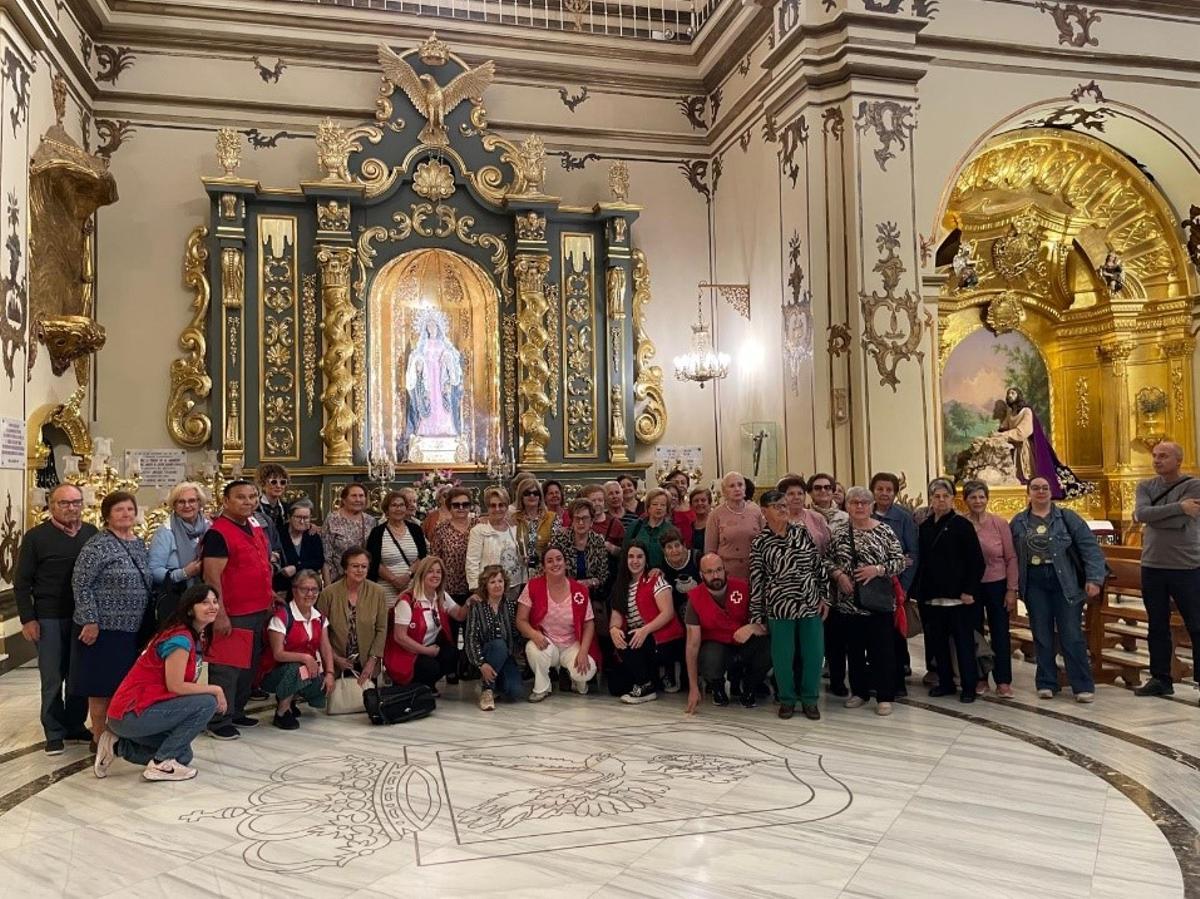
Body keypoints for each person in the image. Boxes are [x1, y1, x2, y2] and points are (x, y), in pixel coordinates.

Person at [95, 584, 226, 782]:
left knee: (183, 756)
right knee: (207, 702)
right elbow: (176, 686)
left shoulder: (192, 635)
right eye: (204, 602)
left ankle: (117, 746)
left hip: (140, 713)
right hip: (130, 714)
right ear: (190, 608)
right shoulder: (180, 639)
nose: (212, 606)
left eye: (215, 602)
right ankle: (160, 764)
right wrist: (216, 689)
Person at [15, 483, 98, 754]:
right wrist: (28, 619)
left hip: (82, 617)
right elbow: (22, 582)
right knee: (52, 676)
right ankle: (53, 730)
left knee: (78, 674)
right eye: (64, 503)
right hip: (49, 616)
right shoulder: (36, 537)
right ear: (52, 506)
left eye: (76, 502)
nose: (71, 508)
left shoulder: (91, 533)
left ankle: (75, 724)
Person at [70, 491, 153, 744]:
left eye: (129, 509)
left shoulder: (138, 543)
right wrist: (90, 620)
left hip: (132, 630)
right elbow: (81, 584)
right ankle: (98, 738)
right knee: (100, 688)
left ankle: (119, 735)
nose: (126, 514)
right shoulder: (97, 545)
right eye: (119, 510)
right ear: (107, 515)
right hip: (103, 630)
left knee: (123, 686)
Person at [1011, 477, 1105, 702]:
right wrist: (1011, 588)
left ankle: (1082, 684)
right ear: (1028, 493)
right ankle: (1046, 681)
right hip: (1034, 582)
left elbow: (1090, 548)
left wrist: (1094, 579)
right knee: (1041, 634)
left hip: (1065, 581)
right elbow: (1011, 556)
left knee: (1071, 633)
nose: (1041, 492)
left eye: (1045, 488)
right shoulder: (1019, 522)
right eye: (1036, 488)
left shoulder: (1067, 518)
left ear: (1052, 492)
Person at [201, 480, 275, 740]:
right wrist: (219, 614)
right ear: (226, 502)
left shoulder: (254, 526)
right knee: (227, 668)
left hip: (257, 608)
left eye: (253, 496)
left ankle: (237, 710)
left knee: (248, 666)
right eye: (241, 497)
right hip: (233, 612)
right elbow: (212, 577)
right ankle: (219, 719)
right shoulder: (218, 533)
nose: (249, 502)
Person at [750, 489, 830, 720]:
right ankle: (786, 698)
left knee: (814, 654)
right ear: (765, 512)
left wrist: (824, 597)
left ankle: (810, 699)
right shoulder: (760, 542)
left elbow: (818, 566)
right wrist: (756, 616)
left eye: (785, 505)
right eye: (778, 506)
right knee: (783, 656)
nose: (784, 509)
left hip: (809, 602)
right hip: (779, 606)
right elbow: (757, 580)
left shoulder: (802, 532)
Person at [828, 487, 907, 716]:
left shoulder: (884, 531)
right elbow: (826, 560)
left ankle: (884, 696)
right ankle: (859, 692)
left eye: (864, 502)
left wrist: (878, 569)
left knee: (882, 651)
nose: (859, 506)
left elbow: (900, 562)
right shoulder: (840, 533)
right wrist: (839, 575)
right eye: (854, 502)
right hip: (848, 602)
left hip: (878, 603)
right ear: (847, 506)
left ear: (872, 506)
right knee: (854, 651)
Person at [1132, 442, 1200, 699]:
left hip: (1186, 565)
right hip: (1153, 565)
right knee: (1156, 625)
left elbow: (1184, 520)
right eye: (1155, 456)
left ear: (1179, 460)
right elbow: (1142, 513)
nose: (1157, 460)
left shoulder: (1194, 485)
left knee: (1196, 624)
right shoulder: (1145, 486)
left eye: (1164, 456)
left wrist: (1159, 516)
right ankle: (1161, 678)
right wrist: (1179, 508)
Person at [912, 479, 986, 703]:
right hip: (932, 597)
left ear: (952, 499)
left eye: (945, 496)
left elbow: (977, 561)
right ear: (931, 500)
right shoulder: (924, 527)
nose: (941, 500)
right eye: (936, 496)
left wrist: (969, 590)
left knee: (964, 644)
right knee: (938, 644)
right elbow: (922, 562)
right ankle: (945, 682)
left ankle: (969, 686)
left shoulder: (962, 525)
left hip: (959, 597)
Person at [684, 553, 770, 712]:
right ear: (701, 575)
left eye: (718, 570)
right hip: (717, 647)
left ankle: (750, 686)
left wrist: (752, 627)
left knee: (767, 647)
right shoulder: (694, 598)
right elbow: (692, 645)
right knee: (708, 656)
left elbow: (767, 623)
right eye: (709, 572)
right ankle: (717, 685)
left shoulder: (744, 588)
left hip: (745, 644)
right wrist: (693, 687)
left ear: (725, 570)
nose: (715, 575)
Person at [517, 546, 599, 701]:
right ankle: (542, 687)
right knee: (533, 649)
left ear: (566, 563)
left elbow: (589, 624)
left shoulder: (580, 590)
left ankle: (574, 679)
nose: (555, 564)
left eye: (559, 559)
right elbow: (520, 620)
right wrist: (534, 634)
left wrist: (583, 651)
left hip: (572, 644)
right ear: (543, 567)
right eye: (549, 561)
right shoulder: (533, 586)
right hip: (547, 643)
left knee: (586, 672)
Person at [607, 542, 682, 704]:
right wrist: (613, 629)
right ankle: (652, 677)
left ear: (646, 559)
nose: (635, 561)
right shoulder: (621, 586)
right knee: (616, 686)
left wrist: (645, 630)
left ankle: (646, 686)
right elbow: (616, 616)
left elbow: (668, 613)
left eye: (639, 557)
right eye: (631, 556)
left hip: (662, 638)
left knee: (629, 639)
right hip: (639, 641)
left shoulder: (655, 579)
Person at [963, 480, 1018, 698]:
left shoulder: (999, 523)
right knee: (975, 634)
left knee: (1000, 633)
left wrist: (1011, 589)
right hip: (971, 586)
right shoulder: (961, 523)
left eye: (981, 497)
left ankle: (1003, 680)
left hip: (997, 583)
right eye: (973, 497)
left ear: (987, 499)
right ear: (965, 500)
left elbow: (1011, 557)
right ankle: (980, 678)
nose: (978, 501)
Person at [260, 570, 335, 729]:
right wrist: (306, 658)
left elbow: (325, 646)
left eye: (314, 589)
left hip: (302, 670)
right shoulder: (281, 617)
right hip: (272, 673)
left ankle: (290, 699)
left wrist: (329, 673)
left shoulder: (319, 617)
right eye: (304, 589)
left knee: (319, 686)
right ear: (294, 591)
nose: (310, 594)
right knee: (298, 668)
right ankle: (282, 712)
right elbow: (278, 654)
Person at [384, 556, 468, 692]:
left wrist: (470, 602)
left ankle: (426, 683)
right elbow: (399, 637)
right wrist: (427, 651)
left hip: (427, 649)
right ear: (422, 574)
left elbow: (459, 615)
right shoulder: (407, 601)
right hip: (406, 653)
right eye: (430, 571)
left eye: (438, 572)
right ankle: (412, 685)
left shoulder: (441, 596)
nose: (435, 575)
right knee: (431, 666)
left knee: (451, 654)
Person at [998, 386, 1092, 500]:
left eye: (1012, 393)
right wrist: (998, 433)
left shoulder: (1026, 411)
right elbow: (1004, 427)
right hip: (1015, 447)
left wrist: (1004, 435)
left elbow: (1023, 432)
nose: (1009, 396)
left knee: (1027, 472)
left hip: (1025, 448)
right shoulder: (1010, 413)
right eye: (1008, 394)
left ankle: (1033, 495)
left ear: (1019, 395)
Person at [870, 472, 918, 691]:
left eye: (889, 490)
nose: (884, 493)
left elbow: (912, 555)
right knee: (873, 636)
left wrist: (905, 587)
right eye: (880, 489)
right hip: (868, 586)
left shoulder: (904, 517)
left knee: (895, 635)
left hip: (895, 586)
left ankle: (897, 681)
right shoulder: (863, 513)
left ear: (895, 493)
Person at [317, 547, 387, 690]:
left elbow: (382, 629)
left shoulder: (378, 592)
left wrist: (372, 661)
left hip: (367, 661)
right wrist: (335, 659)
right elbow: (319, 631)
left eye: (364, 566)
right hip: (335, 661)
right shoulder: (328, 594)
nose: (359, 570)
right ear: (345, 569)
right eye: (355, 566)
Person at [464, 565, 524, 710]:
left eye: (500, 581)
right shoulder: (477, 607)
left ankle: (494, 684)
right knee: (498, 645)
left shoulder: (511, 606)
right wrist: (481, 664)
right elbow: (470, 639)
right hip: (484, 656)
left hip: (506, 657)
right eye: (492, 582)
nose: (497, 585)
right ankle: (487, 689)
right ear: (485, 586)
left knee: (514, 691)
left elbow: (516, 635)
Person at [148, 482, 211, 621]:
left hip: (208, 598)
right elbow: (153, 571)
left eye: (192, 501)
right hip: (176, 599)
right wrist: (183, 573)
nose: (187, 506)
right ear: (174, 506)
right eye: (181, 502)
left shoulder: (210, 527)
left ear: (200, 503)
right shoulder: (165, 531)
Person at [367, 490, 429, 610]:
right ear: (386, 510)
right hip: (386, 589)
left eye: (401, 505)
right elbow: (373, 561)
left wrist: (407, 575)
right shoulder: (377, 532)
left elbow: (422, 556)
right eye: (394, 505)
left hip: (412, 587)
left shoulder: (415, 529)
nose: (398, 509)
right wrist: (394, 580)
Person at [705, 471, 765, 582]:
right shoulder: (715, 515)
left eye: (740, 485)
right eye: (732, 486)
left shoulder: (756, 510)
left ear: (745, 488)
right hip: (728, 573)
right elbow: (710, 550)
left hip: (755, 571)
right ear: (724, 491)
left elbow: (765, 541)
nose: (737, 489)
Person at [466, 486, 524, 598]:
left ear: (507, 507)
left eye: (501, 505)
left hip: (514, 588)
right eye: (493, 505)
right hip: (489, 590)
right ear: (487, 508)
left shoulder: (515, 529)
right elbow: (471, 563)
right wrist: (476, 590)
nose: (497, 509)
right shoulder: (478, 531)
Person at [550, 499, 610, 605]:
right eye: (577, 518)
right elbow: (550, 569)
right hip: (562, 595)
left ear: (591, 521)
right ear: (572, 521)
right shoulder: (560, 539)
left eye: (585, 518)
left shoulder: (598, 541)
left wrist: (589, 582)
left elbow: (603, 575)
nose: (581, 522)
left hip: (591, 596)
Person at [322, 483, 377, 583]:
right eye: (354, 496)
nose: (358, 499)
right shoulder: (332, 519)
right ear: (344, 499)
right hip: (338, 581)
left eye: (361, 496)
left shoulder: (371, 521)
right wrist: (328, 586)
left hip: (364, 580)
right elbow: (326, 557)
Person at [431, 487, 475, 602]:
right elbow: (435, 559)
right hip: (449, 589)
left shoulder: (478, 526)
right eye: (456, 505)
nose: (461, 508)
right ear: (449, 507)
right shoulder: (441, 529)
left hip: (475, 588)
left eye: (465, 504)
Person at [277, 499, 325, 591]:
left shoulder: (312, 535)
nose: (302, 521)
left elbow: (319, 561)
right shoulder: (279, 534)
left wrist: (296, 568)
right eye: (298, 517)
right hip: (284, 589)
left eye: (306, 518)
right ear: (289, 517)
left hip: (309, 588)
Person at [623, 487, 674, 573]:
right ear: (648, 507)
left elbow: (674, 559)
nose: (659, 508)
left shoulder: (671, 531)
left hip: (661, 577)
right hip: (635, 575)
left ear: (667, 509)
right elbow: (624, 553)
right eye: (655, 504)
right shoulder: (635, 527)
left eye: (663, 505)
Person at [778, 475, 832, 554]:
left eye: (800, 493)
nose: (796, 497)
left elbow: (828, 547)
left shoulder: (817, 518)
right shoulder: (774, 518)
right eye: (791, 494)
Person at [255, 463, 290, 563]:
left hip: (282, 553)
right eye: (273, 482)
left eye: (283, 482)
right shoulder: (254, 508)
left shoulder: (287, 508)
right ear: (263, 484)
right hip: (261, 554)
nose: (278, 486)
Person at [585, 483, 625, 556]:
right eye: (593, 501)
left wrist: (611, 547)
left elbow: (625, 552)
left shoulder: (615, 523)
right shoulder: (581, 523)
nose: (597, 504)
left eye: (600, 500)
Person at [687, 487, 713, 556]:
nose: (699, 503)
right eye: (696, 501)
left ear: (709, 503)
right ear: (691, 505)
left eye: (703, 500)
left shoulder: (715, 524)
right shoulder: (690, 526)